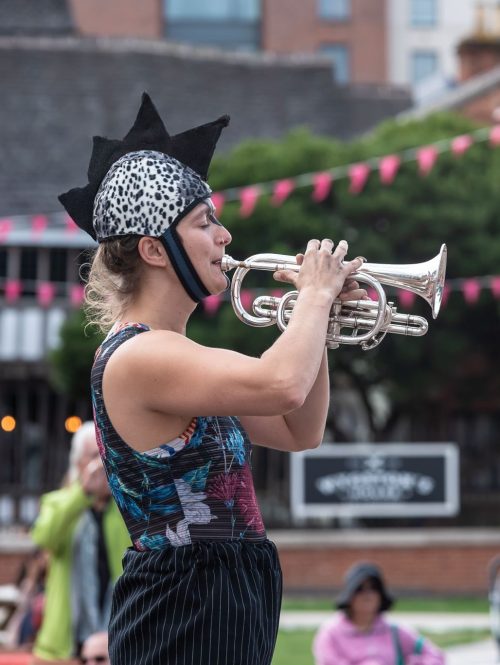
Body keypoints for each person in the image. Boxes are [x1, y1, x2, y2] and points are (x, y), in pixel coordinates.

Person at [58, 92, 367, 665]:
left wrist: (319, 328)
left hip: (222, 599)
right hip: (184, 608)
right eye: (206, 223)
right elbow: (281, 384)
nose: (225, 237)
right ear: (155, 249)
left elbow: (300, 428)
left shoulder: (182, 356)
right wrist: (315, 298)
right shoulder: (139, 356)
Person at [30, 422, 131, 663]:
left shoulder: (124, 508)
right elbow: (44, 537)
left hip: (114, 639)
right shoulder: (59, 502)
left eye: (106, 454)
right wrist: (83, 493)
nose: (102, 463)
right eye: (94, 455)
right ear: (78, 463)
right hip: (64, 645)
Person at [312, 562, 445, 665]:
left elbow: (435, 655)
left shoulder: (395, 631)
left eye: (373, 589)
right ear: (349, 595)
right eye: (360, 589)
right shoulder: (331, 633)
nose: (367, 595)